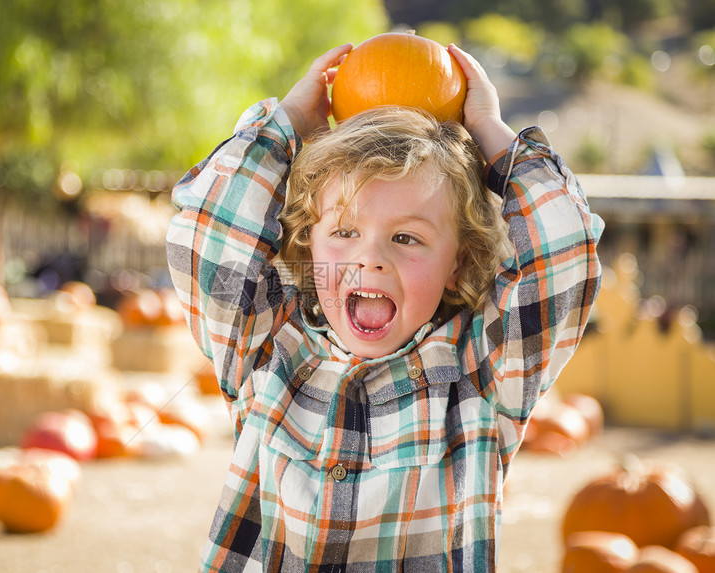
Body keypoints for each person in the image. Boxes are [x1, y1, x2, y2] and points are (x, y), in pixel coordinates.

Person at [166, 41, 603, 572]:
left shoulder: (481, 375)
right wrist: (286, 124)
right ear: (309, 246)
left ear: (459, 265)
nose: (369, 259)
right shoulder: (266, 350)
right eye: (345, 232)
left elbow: (564, 252)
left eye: (407, 239)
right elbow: (208, 238)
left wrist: (490, 131)